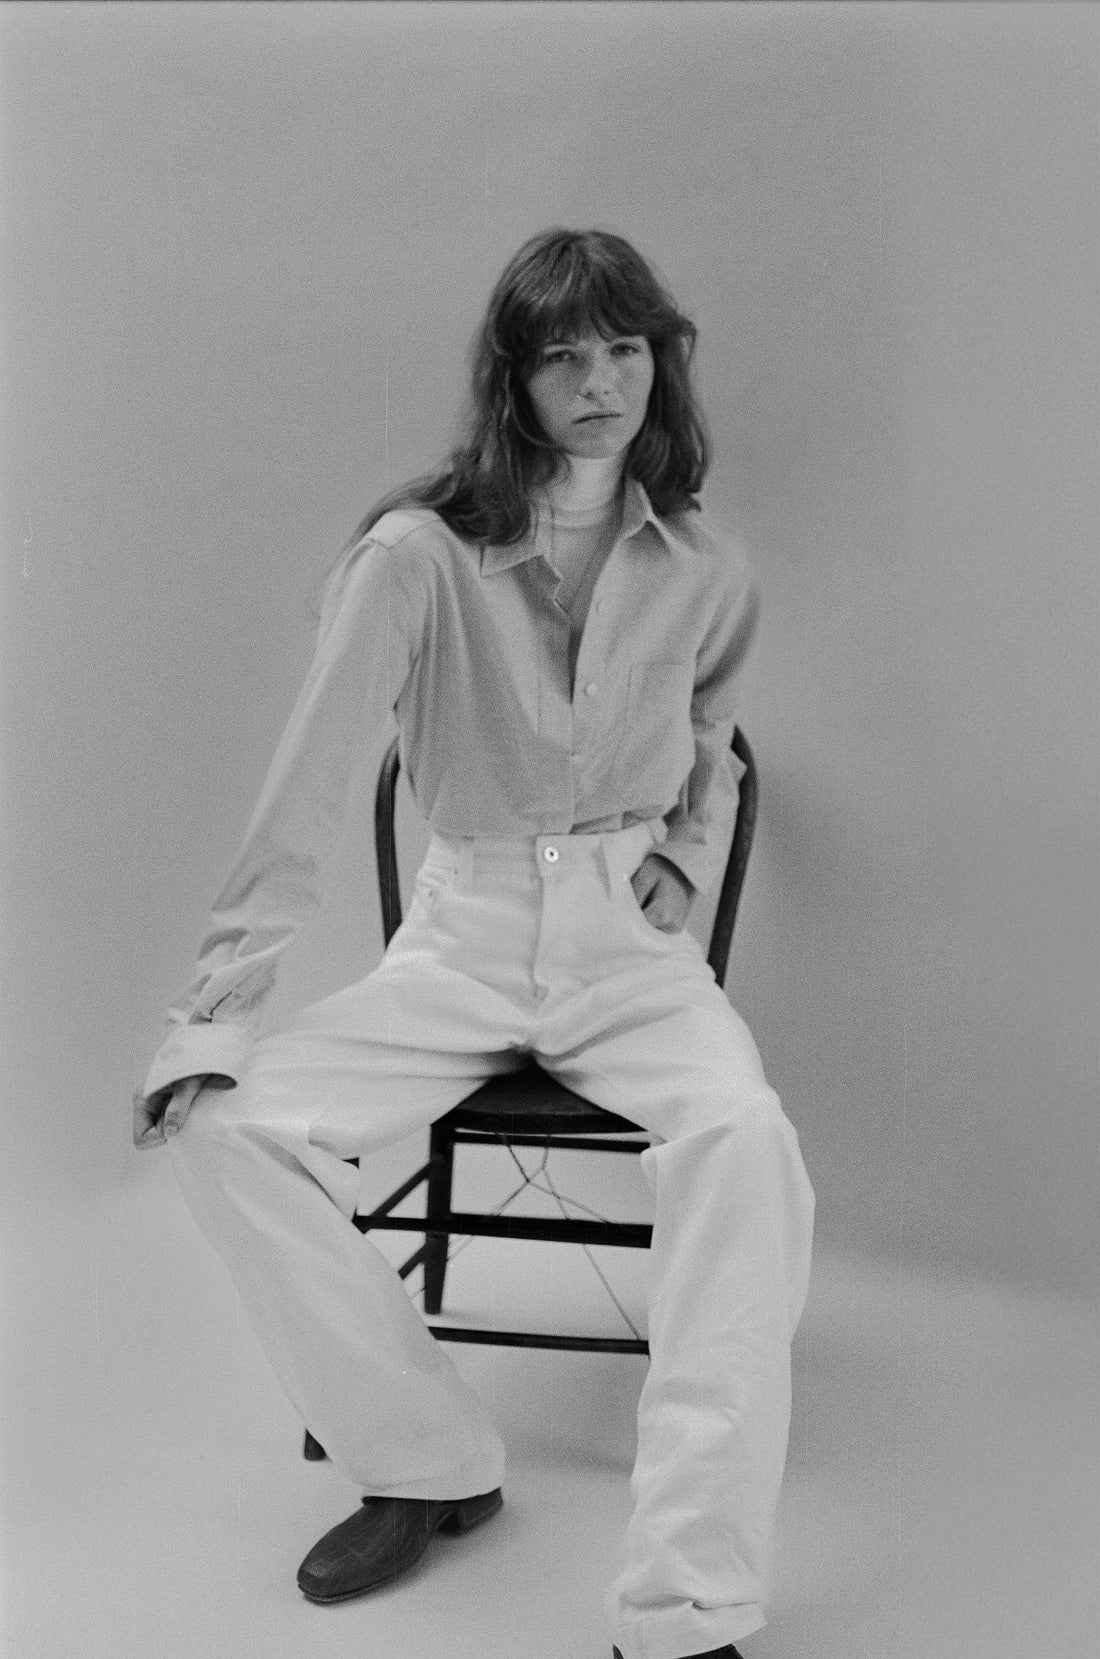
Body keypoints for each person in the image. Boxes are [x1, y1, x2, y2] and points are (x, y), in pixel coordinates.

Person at [133, 227, 815, 1659]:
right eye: (562, 350)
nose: (599, 378)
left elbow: (715, 745)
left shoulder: (702, 560)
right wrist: (218, 1009)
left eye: (624, 346)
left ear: (659, 364)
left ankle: (687, 1598)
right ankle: (427, 1459)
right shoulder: (416, 557)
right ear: (511, 377)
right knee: (222, 1124)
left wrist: (684, 870)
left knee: (748, 1145)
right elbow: (309, 785)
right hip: (465, 937)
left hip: (630, 956)